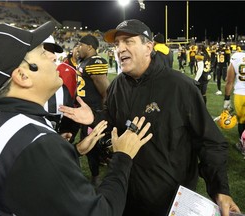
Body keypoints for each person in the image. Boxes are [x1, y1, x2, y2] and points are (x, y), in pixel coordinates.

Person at [0, 21, 153, 215]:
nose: (53, 57)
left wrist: (73, 151)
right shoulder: (36, 143)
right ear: (23, 76)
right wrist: (122, 157)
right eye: (43, 53)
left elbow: (23, 175)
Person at [59, 19, 241, 216]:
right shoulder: (118, 85)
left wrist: (220, 189)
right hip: (127, 196)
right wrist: (93, 117)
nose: (120, 49)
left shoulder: (180, 87)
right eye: (117, 44)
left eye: (128, 41)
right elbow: (113, 120)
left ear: (148, 47)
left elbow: (210, 143)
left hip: (169, 202)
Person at [76, 34, 110, 186]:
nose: (78, 48)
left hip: (94, 112)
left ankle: (96, 175)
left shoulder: (95, 62)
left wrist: (102, 113)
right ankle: (101, 162)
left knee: (92, 144)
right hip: (85, 110)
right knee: (91, 143)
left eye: (81, 45)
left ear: (89, 47)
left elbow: (106, 93)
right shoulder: (83, 61)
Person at [223, 51, 245, 155]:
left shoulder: (236, 57)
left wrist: (227, 99)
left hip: (240, 94)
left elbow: (229, 81)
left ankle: (243, 146)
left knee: (242, 121)